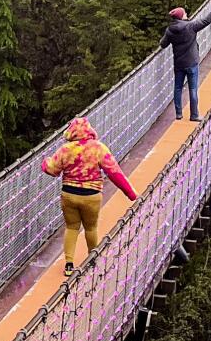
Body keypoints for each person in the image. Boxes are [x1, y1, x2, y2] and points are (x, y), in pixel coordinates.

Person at [40, 115, 138, 277]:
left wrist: (45, 161)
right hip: (91, 196)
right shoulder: (98, 148)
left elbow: (52, 169)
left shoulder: (66, 149)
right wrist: (130, 193)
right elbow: (114, 172)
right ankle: (93, 259)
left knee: (71, 227)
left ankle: (69, 265)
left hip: (69, 195)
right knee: (90, 228)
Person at [160, 4, 211, 121]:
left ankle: (179, 114)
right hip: (192, 62)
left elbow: (163, 44)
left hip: (179, 63)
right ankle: (194, 115)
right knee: (193, 89)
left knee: (178, 88)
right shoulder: (190, 26)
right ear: (181, 16)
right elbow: (206, 21)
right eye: (185, 13)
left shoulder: (170, 30)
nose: (186, 14)